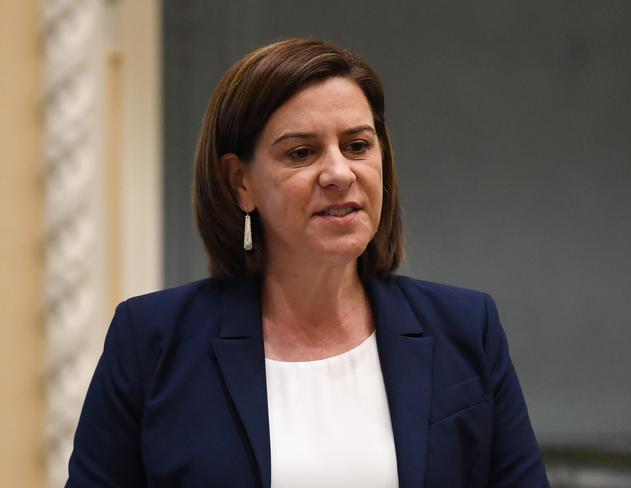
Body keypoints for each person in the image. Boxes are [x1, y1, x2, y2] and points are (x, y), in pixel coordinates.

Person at [66, 37, 550, 487]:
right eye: (302, 152)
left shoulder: (466, 329)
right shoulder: (151, 340)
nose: (339, 173)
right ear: (241, 183)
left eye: (358, 146)